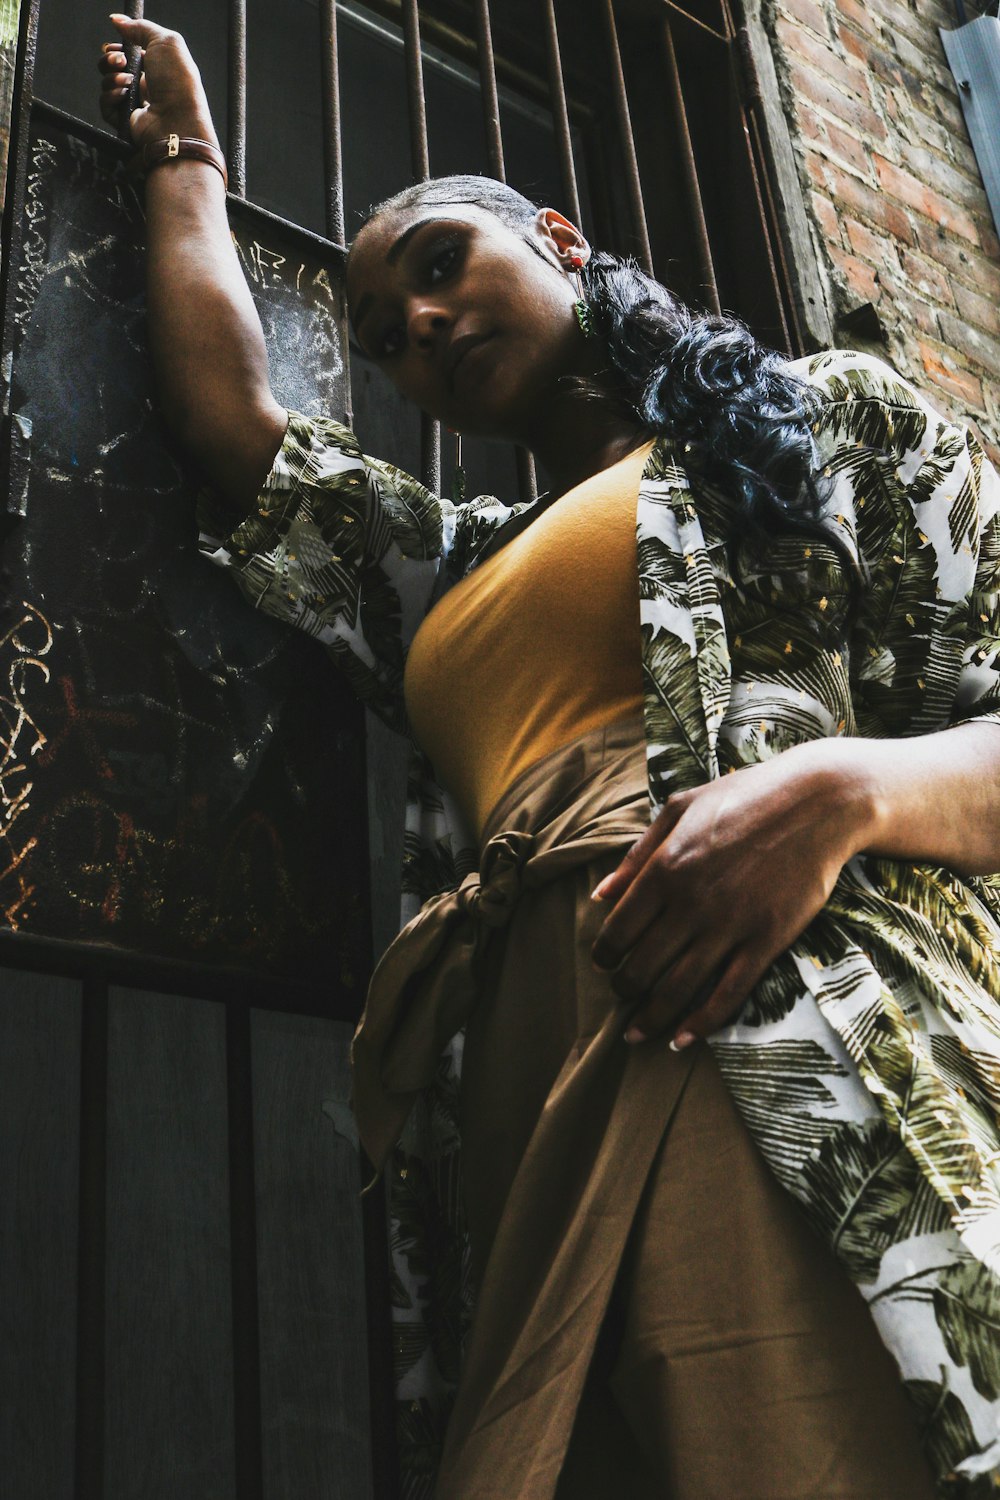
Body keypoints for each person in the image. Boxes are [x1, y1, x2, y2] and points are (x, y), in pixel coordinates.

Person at [98, 18, 1000, 1499]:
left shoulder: (819, 423)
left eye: (442, 265)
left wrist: (842, 792)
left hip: (788, 1032)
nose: (421, 329)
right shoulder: (445, 577)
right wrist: (181, 158)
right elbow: (242, 433)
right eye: (383, 336)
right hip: (520, 1081)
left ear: (563, 243)